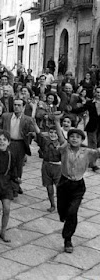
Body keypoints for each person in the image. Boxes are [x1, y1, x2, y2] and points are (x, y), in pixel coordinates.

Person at [54, 114, 100, 253]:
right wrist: (56, 121)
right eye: (72, 136)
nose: (74, 139)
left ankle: (68, 239)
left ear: (82, 140)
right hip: (63, 183)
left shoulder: (88, 152)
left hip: (78, 186)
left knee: (72, 212)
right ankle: (64, 216)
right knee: (62, 210)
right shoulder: (64, 148)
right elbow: (60, 135)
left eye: (78, 137)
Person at [0, 98, 35, 197]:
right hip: (8, 143)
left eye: (19, 105)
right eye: (15, 105)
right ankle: (9, 186)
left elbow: (32, 132)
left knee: (18, 166)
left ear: (23, 107)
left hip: (20, 144)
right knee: (7, 164)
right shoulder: (6, 116)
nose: (16, 107)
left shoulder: (27, 119)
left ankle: (15, 187)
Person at [32, 123, 61, 212]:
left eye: (55, 133)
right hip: (46, 166)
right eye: (51, 132)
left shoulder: (62, 143)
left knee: (59, 188)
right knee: (49, 188)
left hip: (58, 168)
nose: (53, 134)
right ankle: (52, 205)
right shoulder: (45, 142)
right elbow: (39, 134)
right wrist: (34, 123)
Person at [70, 86, 100, 171]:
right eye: (97, 92)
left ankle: (91, 161)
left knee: (98, 145)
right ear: (95, 93)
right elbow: (81, 109)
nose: (99, 94)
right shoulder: (90, 103)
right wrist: (71, 110)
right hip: (92, 126)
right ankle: (92, 164)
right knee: (92, 145)